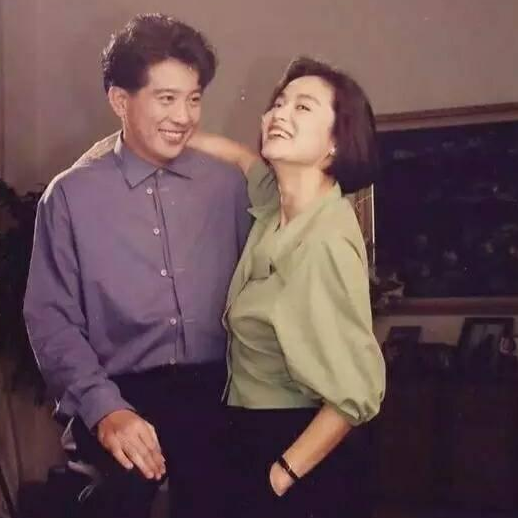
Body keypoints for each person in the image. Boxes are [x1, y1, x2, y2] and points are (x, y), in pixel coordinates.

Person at [23, 13, 250, 518]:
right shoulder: (70, 197)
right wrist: (105, 409)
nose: (184, 116)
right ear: (120, 101)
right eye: (166, 98)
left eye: (194, 98)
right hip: (119, 390)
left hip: (221, 390)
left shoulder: (228, 186)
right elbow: (51, 319)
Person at [190, 56, 386, 518]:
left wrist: (278, 477)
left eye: (303, 107)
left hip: (296, 450)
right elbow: (243, 159)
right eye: (279, 103)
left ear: (335, 142)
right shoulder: (279, 203)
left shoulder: (323, 242)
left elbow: (354, 395)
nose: (280, 113)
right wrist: (165, 134)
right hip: (250, 433)